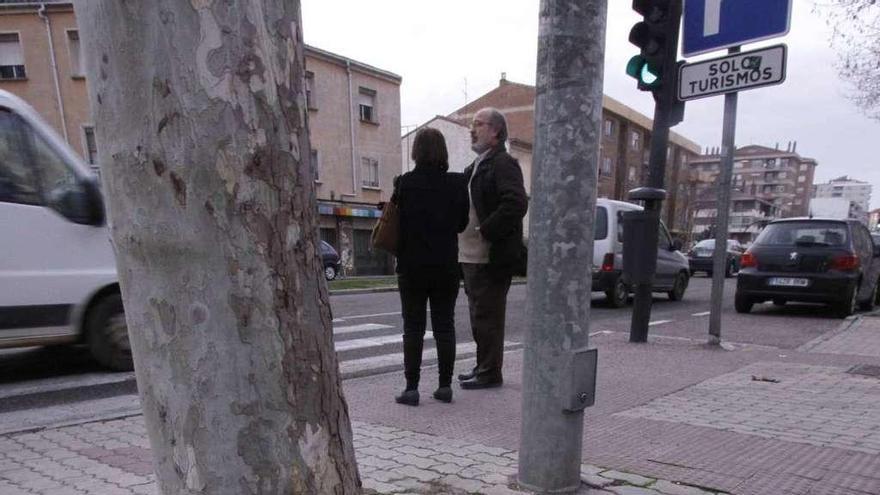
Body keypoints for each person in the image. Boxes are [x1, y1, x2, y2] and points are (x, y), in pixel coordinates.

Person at [393, 127, 469, 406]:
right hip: (446, 265)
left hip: (412, 266)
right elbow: (461, 224)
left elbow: (398, 224)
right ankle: (444, 386)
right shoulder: (457, 184)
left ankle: (411, 388)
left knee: (413, 327)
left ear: (416, 152)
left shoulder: (404, 183)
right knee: (444, 326)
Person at [457, 108, 528, 390]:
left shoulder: (503, 163)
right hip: (471, 255)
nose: (472, 129)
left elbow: (516, 203)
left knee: (488, 317)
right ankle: (482, 366)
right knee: (479, 317)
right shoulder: (477, 165)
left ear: (496, 131)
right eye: (472, 124)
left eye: (478, 124)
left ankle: (490, 372)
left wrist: (486, 229)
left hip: (490, 256)